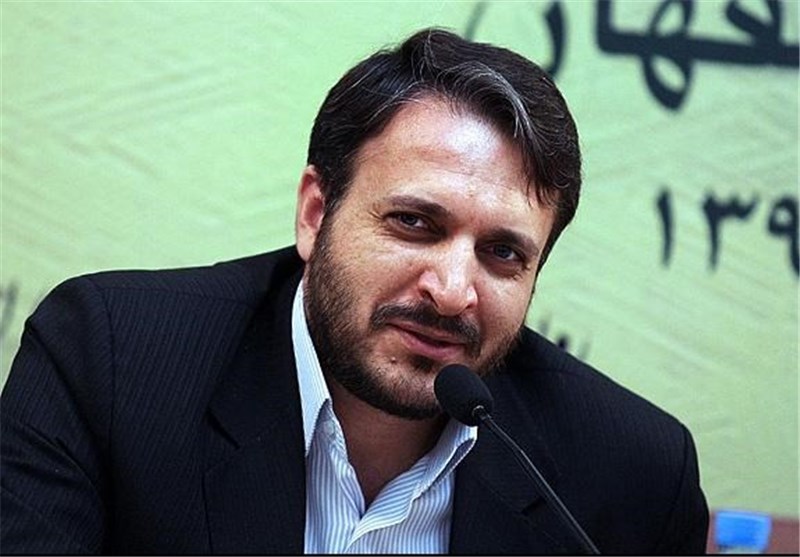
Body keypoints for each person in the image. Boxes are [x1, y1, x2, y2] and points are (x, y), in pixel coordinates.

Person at [1, 28, 708, 554]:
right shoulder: (110, 361)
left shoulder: (633, 475)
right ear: (316, 214)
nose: (452, 291)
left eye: (502, 253)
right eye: (414, 223)